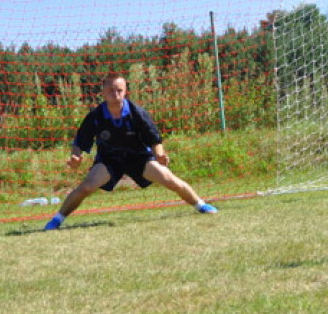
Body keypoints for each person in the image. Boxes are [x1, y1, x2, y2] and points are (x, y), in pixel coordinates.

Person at [44, 73, 217, 230]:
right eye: (111, 90)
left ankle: (201, 205)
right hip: (109, 160)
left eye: (119, 90)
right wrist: (75, 157)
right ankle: (56, 220)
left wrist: (159, 155)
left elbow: (154, 139)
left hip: (139, 158)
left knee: (169, 179)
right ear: (103, 92)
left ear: (125, 91)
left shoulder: (137, 113)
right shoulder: (95, 116)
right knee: (86, 187)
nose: (115, 94)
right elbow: (79, 142)